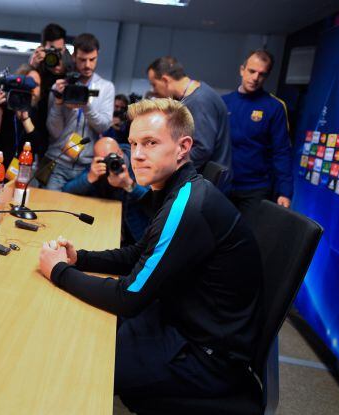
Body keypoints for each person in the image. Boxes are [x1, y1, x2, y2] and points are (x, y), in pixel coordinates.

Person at [38, 98, 262, 404]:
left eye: (151, 143)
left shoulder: (188, 205)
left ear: (183, 147)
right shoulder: (175, 189)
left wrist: (59, 271)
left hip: (206, 358)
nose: (137, 155)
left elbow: (128, 297)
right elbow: (136, 254)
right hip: (178, 320)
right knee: (75, 332)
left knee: (75, 366)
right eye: (133, 144)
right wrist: (81, 259)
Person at [222, 49, 292, 220]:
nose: (255, 78)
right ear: (242, 70)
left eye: (262, 74)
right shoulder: (223, 103)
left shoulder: (274, 107)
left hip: (256, 189)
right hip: (223, 185)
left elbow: (282, 151)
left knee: (248, 241)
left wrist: (285, 191)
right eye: (252, 71)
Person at [147, 56, 232, 191]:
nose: (154, 91)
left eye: (154, 84)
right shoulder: (196, 95)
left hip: (207, 185)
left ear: (165, 80)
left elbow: (202, 149)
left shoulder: (199, 101)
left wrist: (169, 168)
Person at [46, 33, 115, 191]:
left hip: (86, 168)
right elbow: (54, 131)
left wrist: (86, 106)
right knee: (47, 210)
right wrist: (58, 102)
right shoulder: (60, 87)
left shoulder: (106, 87)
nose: (87, 65)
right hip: (56, 163)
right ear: (74, 57)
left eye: (92, 59)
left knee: (78, 213)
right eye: (82, 60)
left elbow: (103, 126)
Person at [62, 136, 148, 244]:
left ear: (121, 153)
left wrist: (128, 184)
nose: (111, 163)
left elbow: (154, 200)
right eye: (105, 160)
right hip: (106, 226)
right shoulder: (99, 167)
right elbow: (67, 190)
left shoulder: (138, 164)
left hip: (136, 235)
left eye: (114, 157)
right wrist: (90, 177)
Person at [0, 64, 42, 174]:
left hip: (19, 176)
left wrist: (25, 119)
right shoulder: (0, 106)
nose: (34, 88)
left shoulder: (34, 112)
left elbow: (36, 147)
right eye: (30, 83)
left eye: (37, 85)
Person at [28, 23, 71, 159]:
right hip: (38, 127)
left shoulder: (69, 61)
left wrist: (65, 70)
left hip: (61, 132)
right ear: (43, 47)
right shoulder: (37, 63)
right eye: (51, 50)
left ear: (64, 48)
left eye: (59, 50)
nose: (55, 54)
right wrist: (32, 67)